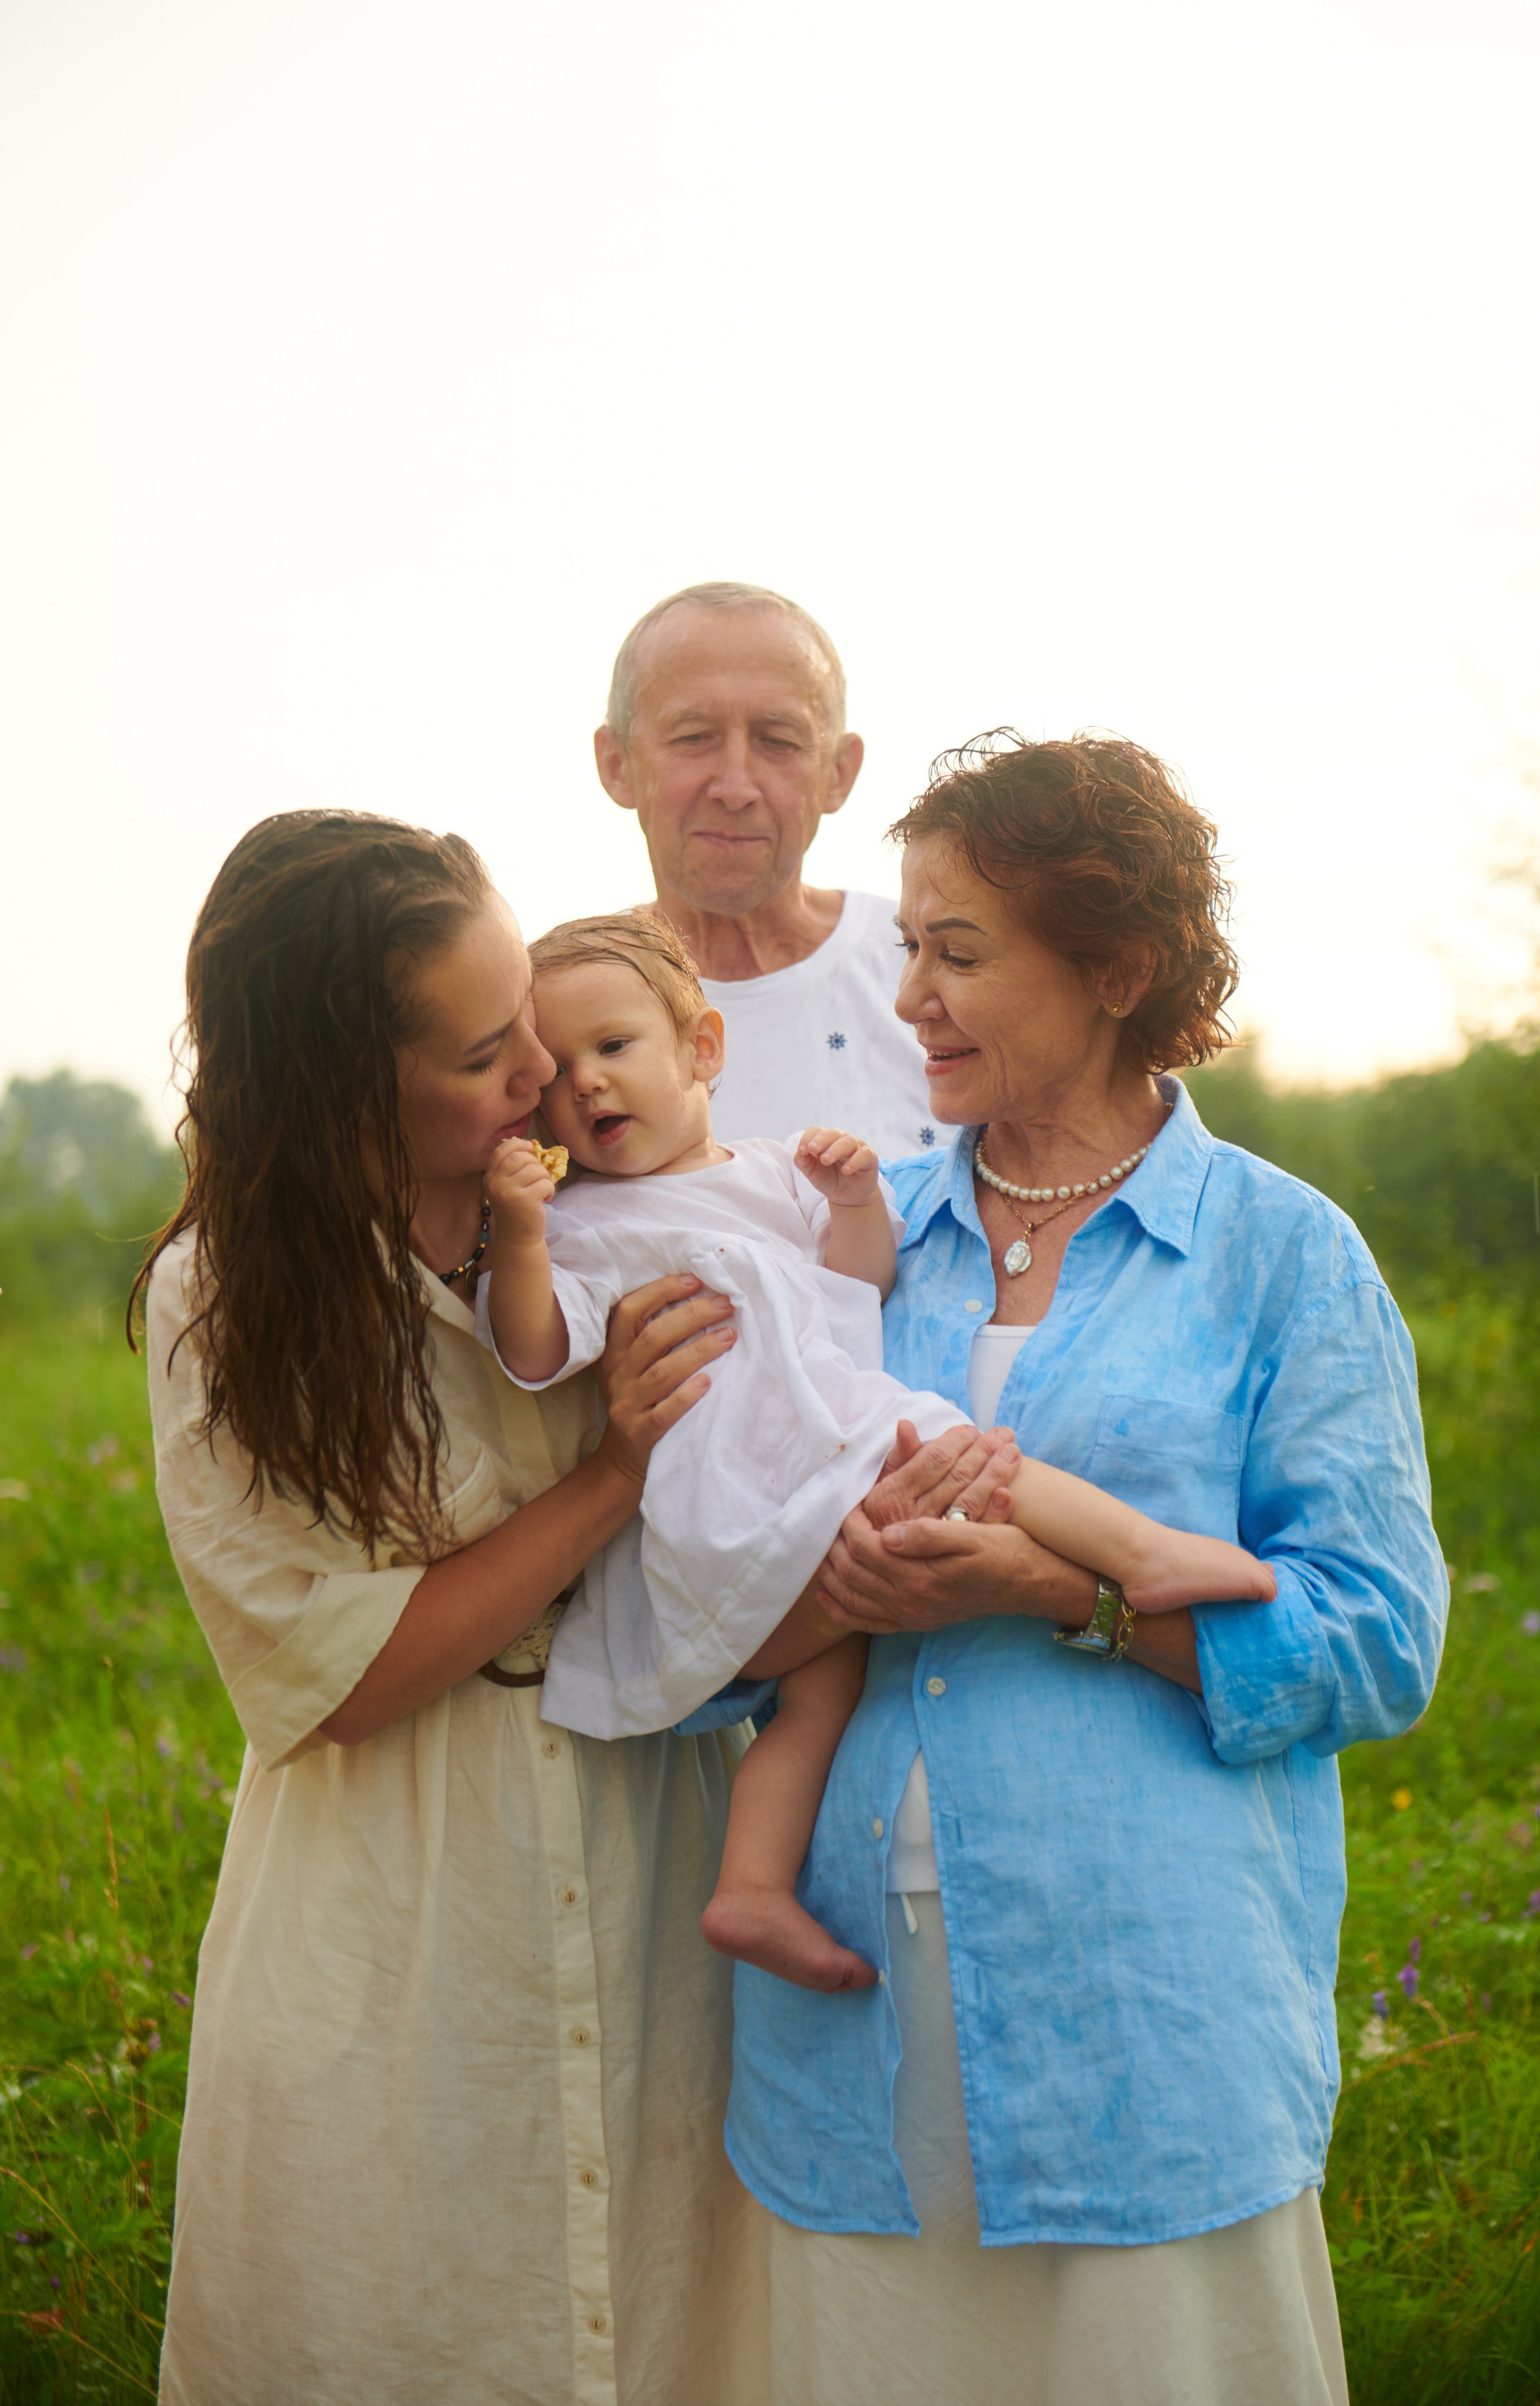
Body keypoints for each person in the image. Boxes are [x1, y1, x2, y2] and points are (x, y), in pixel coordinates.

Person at [725, 732, 1451, 2406]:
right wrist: (816, 1579)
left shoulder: (1285, 1258)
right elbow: (714, 1594)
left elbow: (1373, 1644)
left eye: (961, 951)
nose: (911, 995)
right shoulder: (842, 1244)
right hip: (850, 2013)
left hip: (1150, 2012)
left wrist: (1065, 1596)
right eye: (907, 944)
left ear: (1116, 969)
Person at [133, 811, 763, 2406]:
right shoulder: (220, 1297)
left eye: (540, 1036)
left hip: (646, 1846)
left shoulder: (593, 1203)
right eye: (490, 1054)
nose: (547, 1083)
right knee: (394, 2322)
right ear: (346, 1083)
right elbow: (344, 1672)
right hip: (394, 1899)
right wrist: (610, 1473)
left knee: (677, 2319)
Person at [476, 909, 1274, 1994]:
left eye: (614, 1049)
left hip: (808, 1466)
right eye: (558, 1074)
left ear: (702, 1049)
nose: (589, 1087)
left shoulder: (772, 1171)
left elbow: (858, 1282)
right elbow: (532, 1349)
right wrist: (519, 1238)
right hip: (754, 1478)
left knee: (822, 1687)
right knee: (983, 1462)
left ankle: (750, 1889)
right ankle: (1145, 1558)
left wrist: (852, 1199)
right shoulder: (577, 1223)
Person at [594, 579, 950, 1160]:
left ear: (838, 771)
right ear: (617, 764)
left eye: (779, 741)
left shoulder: (938, 976)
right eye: (693, 737)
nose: (735, 787)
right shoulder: (548, 1011)